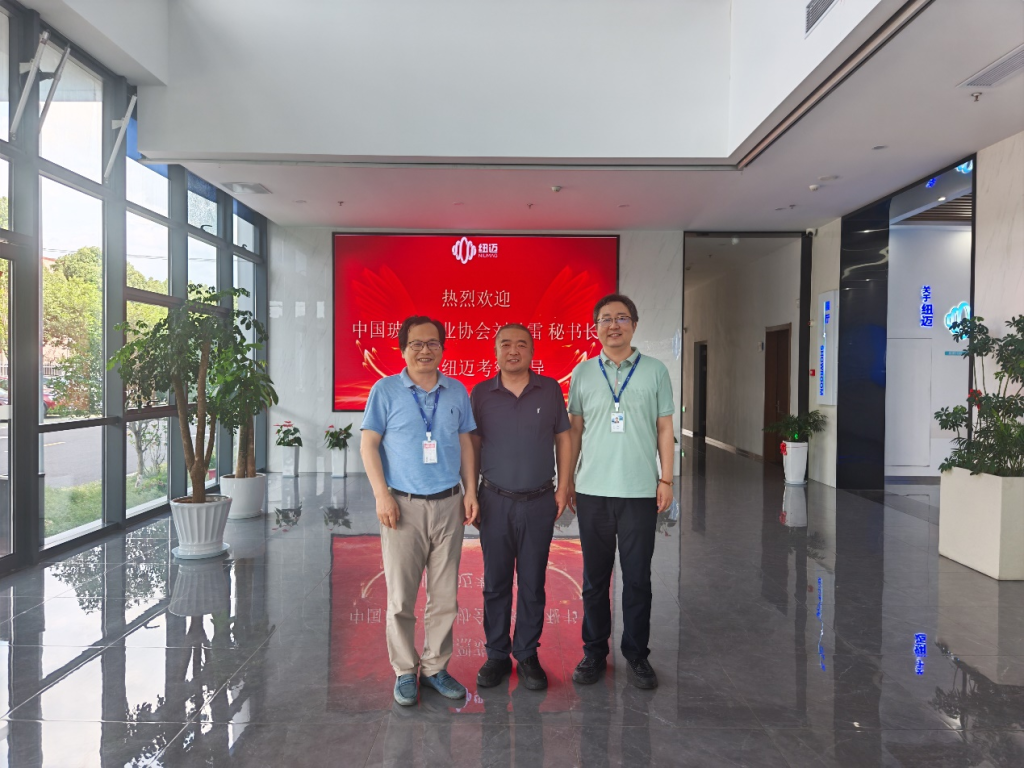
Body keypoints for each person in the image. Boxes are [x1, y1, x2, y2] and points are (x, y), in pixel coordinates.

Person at [360, 315, 480, 707]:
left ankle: (434, 668)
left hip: (449, 505)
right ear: (403, 349)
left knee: (444, 596)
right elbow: (368, 444)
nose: (424, 350)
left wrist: (470, 490)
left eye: (432, 343)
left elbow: (466, 443)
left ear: (442, 349)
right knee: (401, 598)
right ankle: (404, 670)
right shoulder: (385, 390)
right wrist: (381, 495)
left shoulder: (456, 391)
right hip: (402, 507)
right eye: (416, 343)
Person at [567, 294, 675, 689]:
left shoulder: (655, 371)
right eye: (606, 319)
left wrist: (666, 479)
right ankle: (594, 652)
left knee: (638, 578)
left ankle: (636, 654)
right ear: (595, 327)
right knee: (594, 579)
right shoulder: (582, 372)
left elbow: (665, 427)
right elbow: (575, 431)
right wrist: (568, 480)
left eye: (622, 318)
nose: (614, 325)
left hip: (639, 492)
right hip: (592, 491)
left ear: (634, 324)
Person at [469, 324, 572, 691]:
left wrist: (565, 485)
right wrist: (471, 492)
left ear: (532, 351)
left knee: (532, 582)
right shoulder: (481, 393)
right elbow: (473, 446)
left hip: (539, 501)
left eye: (521, 345)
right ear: (495, 351)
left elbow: (563, 438)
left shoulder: (550, 389)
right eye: (506, 344)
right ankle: (496, 654)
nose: (513, 351)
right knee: (495, 583)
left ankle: (527, 653)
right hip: (494, 500)